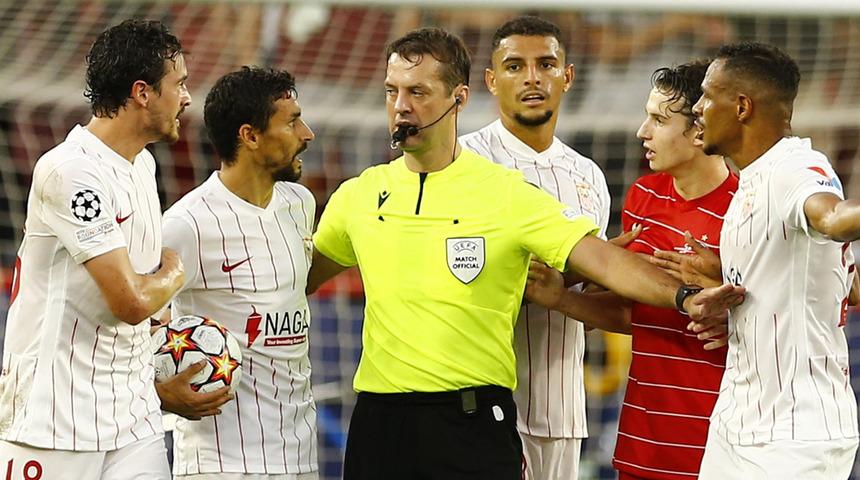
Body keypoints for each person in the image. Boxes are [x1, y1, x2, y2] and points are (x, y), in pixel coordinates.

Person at [306, 27, 743, 480]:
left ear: (458, 98)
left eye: (418, 92)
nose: (401, 105)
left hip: (474, 419)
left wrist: (685, 296)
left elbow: (604, 260)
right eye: (391, 91)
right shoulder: (358, 196)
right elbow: (298, 282)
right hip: (379, 421)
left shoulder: (506, 192)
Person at [526, 59, 739, 479]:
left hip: (721, 442)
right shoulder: (643, 196)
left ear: (699, 131)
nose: (643, 131)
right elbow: (633, 313)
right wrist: (562, 297)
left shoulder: (745, 208)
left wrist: (729, 303)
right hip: (643, 441)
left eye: (659, 120)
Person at [0, 19, 189, 479]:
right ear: (142, 93)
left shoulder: (142, 165)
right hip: (53, 419)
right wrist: (176, 272)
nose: (186, 97)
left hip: (133, 418)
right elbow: (131, 302)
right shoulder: (70, 172)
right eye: (179, 84)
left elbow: (144, 306)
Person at [690, 42, 859, 479]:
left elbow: (834, 220)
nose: (697, 108)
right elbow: (848, 284)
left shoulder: (794, 168)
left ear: (741, 107)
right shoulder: (752, 179)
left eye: (707, 96)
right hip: (738, 420)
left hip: (794, 436)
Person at [458, 16, 611, 479]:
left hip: (563, 410)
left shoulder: (588, 175)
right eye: (514, 66)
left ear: (568, 76)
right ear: (491, 80)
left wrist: (596, 280)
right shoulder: (464, 161)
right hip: (482, 406)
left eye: (546, 64)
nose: (532, 78)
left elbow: (591, 305)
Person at [160, 67, 318, 479]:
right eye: (292, 122)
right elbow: (129, 329)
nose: (307, 134)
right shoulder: (187, 224)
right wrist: (157, 391)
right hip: (222, 463)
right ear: (250, 136)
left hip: (301, 455)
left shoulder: (300, 204)